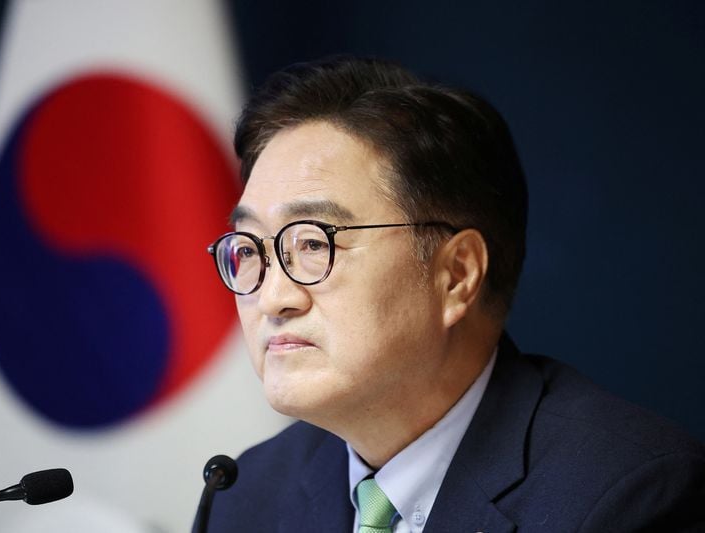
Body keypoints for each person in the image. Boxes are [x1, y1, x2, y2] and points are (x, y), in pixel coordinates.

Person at [201, 55, 705, 532]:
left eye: (312, 243)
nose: (271, 299)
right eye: (249, 250)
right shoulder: (246, 497)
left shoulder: (623, 496)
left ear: (457, 275)